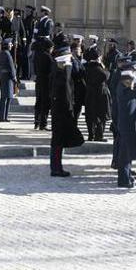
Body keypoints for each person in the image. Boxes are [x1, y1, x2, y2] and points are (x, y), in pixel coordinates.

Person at [49, 44, 82, 178]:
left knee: (58, 141)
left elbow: (78, 71)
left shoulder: (59, 72)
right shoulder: (61, 75)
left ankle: (56, 167)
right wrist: (69, 109)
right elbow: (67, 94)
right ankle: (56, 168)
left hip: (59, 110)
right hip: (61, 111)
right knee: (58, 141)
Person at [112, 62, 136, 188]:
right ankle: (123, 180)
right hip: (126, 125)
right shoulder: (123, 88)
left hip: (127, 124)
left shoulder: (123, 86)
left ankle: (127, 175)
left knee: (127, 152)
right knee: (125, 154)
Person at [81, 47, 109, 140]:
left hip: (89, 93)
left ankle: (90, 134)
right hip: (100, 94)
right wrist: (102, 66)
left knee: (90, 115)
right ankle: (99, 135)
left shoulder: (85, 67)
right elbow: (106, 76)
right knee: (101, 115)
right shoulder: (98, 68)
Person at [0, 37, 19, 122]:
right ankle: (4, 116)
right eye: (10, 44)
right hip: (8, 77)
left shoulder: (2, 53)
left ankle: (2, 116)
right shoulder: (7, 54)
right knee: (7, 97)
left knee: (4, 97)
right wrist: (14, 77)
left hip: (3, 76)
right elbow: (11, 67)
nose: (12, 45)